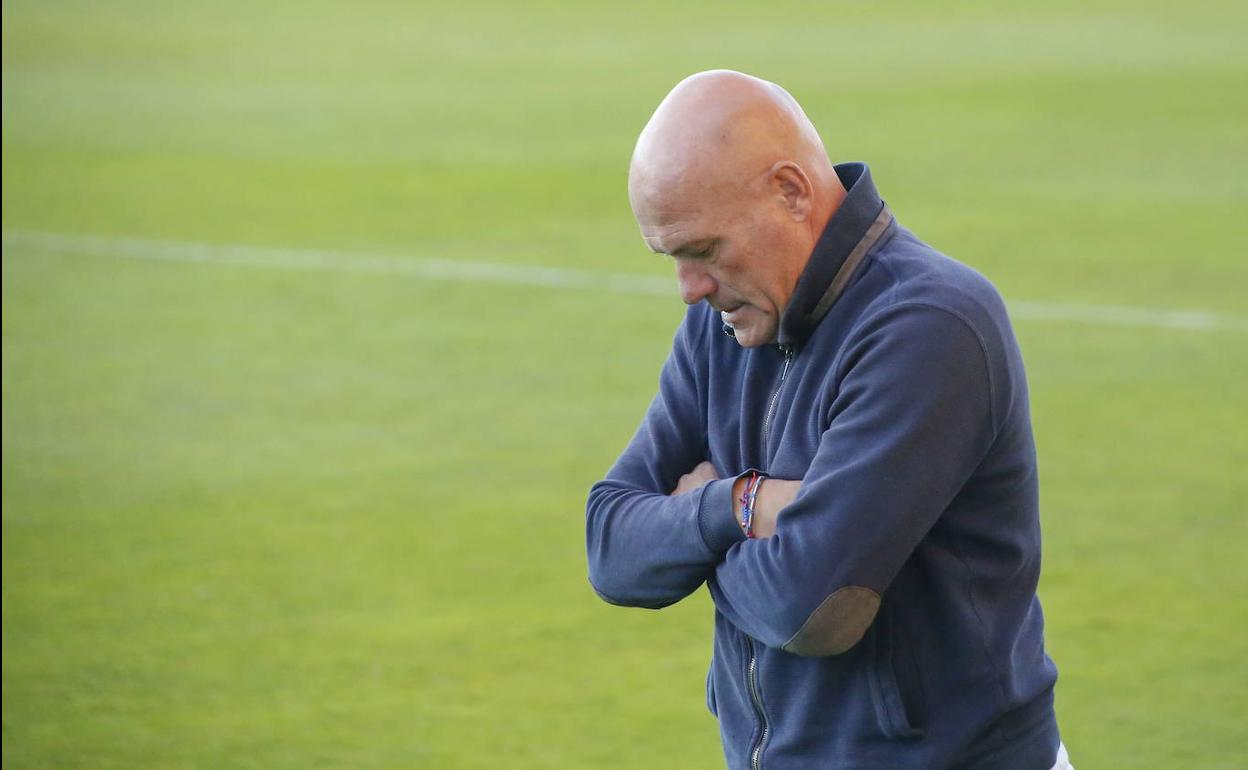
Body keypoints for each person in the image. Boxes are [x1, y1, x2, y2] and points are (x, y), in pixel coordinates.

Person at [585, 70, 1072, 770]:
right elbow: (610, 548)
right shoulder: (720, 325)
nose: (689, 289)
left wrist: (688, 524)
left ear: (791, 191)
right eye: (671, 258)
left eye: (702, 250)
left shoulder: (929, 325)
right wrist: (739, 506)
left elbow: (812, 608)